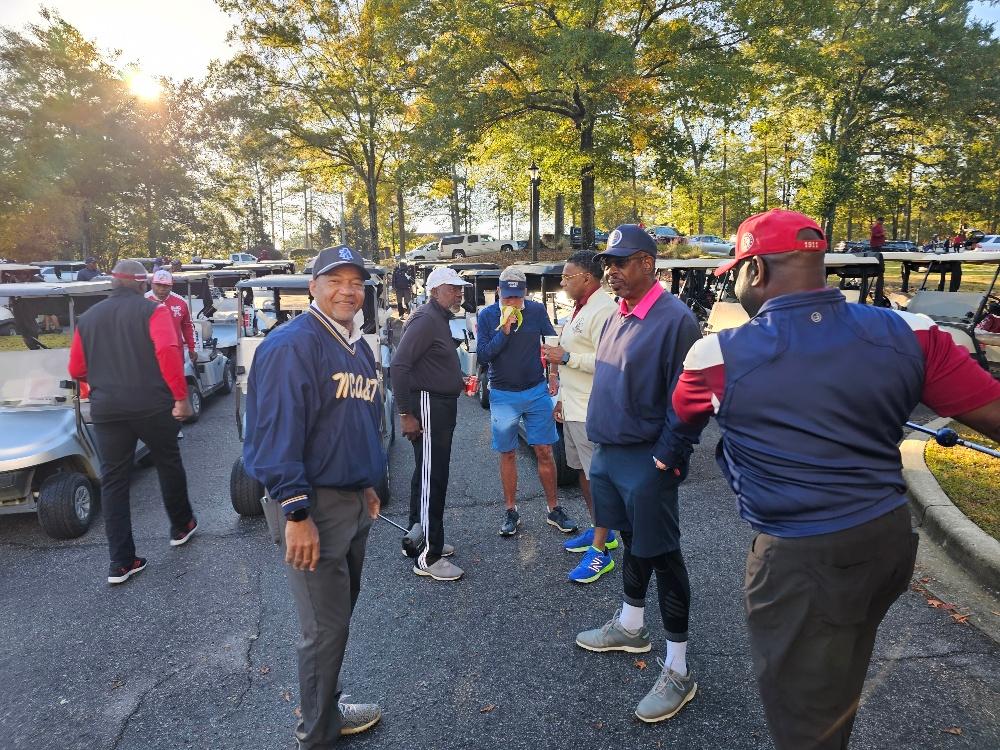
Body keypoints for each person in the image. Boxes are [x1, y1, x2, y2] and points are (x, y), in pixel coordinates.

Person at [671, 209, 1000, 750]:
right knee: (839, 666)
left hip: (802, 558)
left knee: (804, 718)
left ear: (755, 270)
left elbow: (682, 417)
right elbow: (992, 413)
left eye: (736, 273)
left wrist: (668, 459)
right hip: (888, 539)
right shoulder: (914, 332)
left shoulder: (716, 355)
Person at [243, 244, 386, 745]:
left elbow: (356, 422)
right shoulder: (292, 345)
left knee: (337, 621)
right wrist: (295, 512)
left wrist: (367, 483)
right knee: (324, 629)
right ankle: (318, 733)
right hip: (312, 506)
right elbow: (274, 434)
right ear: (313, 287)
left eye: (356, 283)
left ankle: (327, 707)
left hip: (350, 500)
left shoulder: (357, 346)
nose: (348, 291)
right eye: (335, 281)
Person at [573, 225, 702, 724]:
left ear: (648, 263)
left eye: (622, 262)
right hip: (610, 454)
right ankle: (631, 625)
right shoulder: (618, 313)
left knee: (663, 555)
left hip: (648, 459)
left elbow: (690, 397)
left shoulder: (675, 319)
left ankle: (678, 669)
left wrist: (668, 456)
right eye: (608, 263)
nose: (612, 271)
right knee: (632, 542)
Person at [68, 259, 196, 584]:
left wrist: (101, 385)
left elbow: (76, 369)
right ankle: (181, 526)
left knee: (114, 480)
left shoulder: (88, 318)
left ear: (113, 282)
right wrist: (180, 397)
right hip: (151, 403)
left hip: (107, 408)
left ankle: (121, 562)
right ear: (142, 284)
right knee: (167, 461)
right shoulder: (154, 311)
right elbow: (168, 351)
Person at [477, 267, 578, 537]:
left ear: (525, 293)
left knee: (544, 450)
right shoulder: (487, 315)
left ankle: (554, 508)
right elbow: (484, 356)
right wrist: (504, 332)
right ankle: (511, 510)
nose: (513, 302)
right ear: (499, 292)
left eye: (517, 297)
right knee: (507, 452)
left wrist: (553, 375)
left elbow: (553, 343)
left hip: (536, 391)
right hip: (503, 394)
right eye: (507, 297)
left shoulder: (535, 310)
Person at [541, 251, 619, 583]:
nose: (562, 283)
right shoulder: (581, 308)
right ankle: (602, 530)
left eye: (567, 277)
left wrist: (566, 357)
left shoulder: (605, 310)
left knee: (598, 479)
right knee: (584, 475)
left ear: (587, 278)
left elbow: (608, 360)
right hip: (574, 407)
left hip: (592, 410)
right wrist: (561, 398)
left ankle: (600, 552)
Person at [390, 266, 469, 581]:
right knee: (432, 477)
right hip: (428, 406)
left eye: (460, 289)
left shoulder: (439, 318)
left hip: (439, 405)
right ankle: (428, 556)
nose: (459, 293)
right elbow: (399, 365)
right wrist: (405, 413)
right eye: (452, 288)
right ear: (435, 291)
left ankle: (418, 539)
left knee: (427, 475)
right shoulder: (426, 318)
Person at [145, 270, 198, 367]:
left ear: (171, 285)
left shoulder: (181, 302)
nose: (162, 289)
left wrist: (192, 348)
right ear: (152, 284)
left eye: (166, 286)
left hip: (175, 352)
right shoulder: (143, 301)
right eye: (158, 285)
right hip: (149, 354)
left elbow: (187, 326)